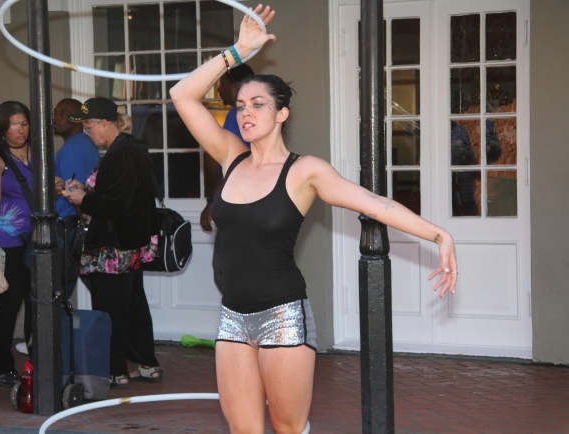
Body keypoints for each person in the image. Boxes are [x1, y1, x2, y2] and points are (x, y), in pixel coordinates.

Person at [170, 6, 458, 433]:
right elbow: (182, 95)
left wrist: (439, 234)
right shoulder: (230, 156)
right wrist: (236, 52)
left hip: (283, 315)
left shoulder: (304, 172)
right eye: (241, 105)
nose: (246, 113)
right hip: (232, 316)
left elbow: (375, 204)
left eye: (258, 105)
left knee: (288, 427)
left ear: (281, 114)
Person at [62, 98, 163, 388]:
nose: (87, 132)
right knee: (132, 304)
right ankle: (146, 363)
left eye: (89, 126)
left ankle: (116, 370)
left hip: (115, 246)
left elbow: (117, 204)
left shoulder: (123, 153)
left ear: (105, 124)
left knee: (111, 308)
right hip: (126, 243)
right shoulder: (124, 150)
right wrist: (85, 189)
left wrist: (84, 199)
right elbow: (117, 193)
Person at [0, 101, 33, 388]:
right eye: (14, 125)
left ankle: (38, 362)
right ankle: (1, 368)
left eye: (24, 124)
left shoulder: (38, 153)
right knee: (10, 302)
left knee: (37, 301)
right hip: (7, 240)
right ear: (2, 129)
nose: (20, 130)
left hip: (36, 238)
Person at [200, 64, 254, 292]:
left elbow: (232, 164)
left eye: (221, 84)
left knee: (226, 271)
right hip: (247, 202)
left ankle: (243, 313)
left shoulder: (238, 115)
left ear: (236, 85)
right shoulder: (245, 114)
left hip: (238, 203)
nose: (219, 90)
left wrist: (212, 202)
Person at [53, 98, 100, 218]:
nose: (56, 117)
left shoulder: (71, 149)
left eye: (64, 114)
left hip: (70, 221)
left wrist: (78, 224)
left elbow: (74, 193)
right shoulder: (86, 141)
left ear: (79, 121)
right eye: (55, 113)